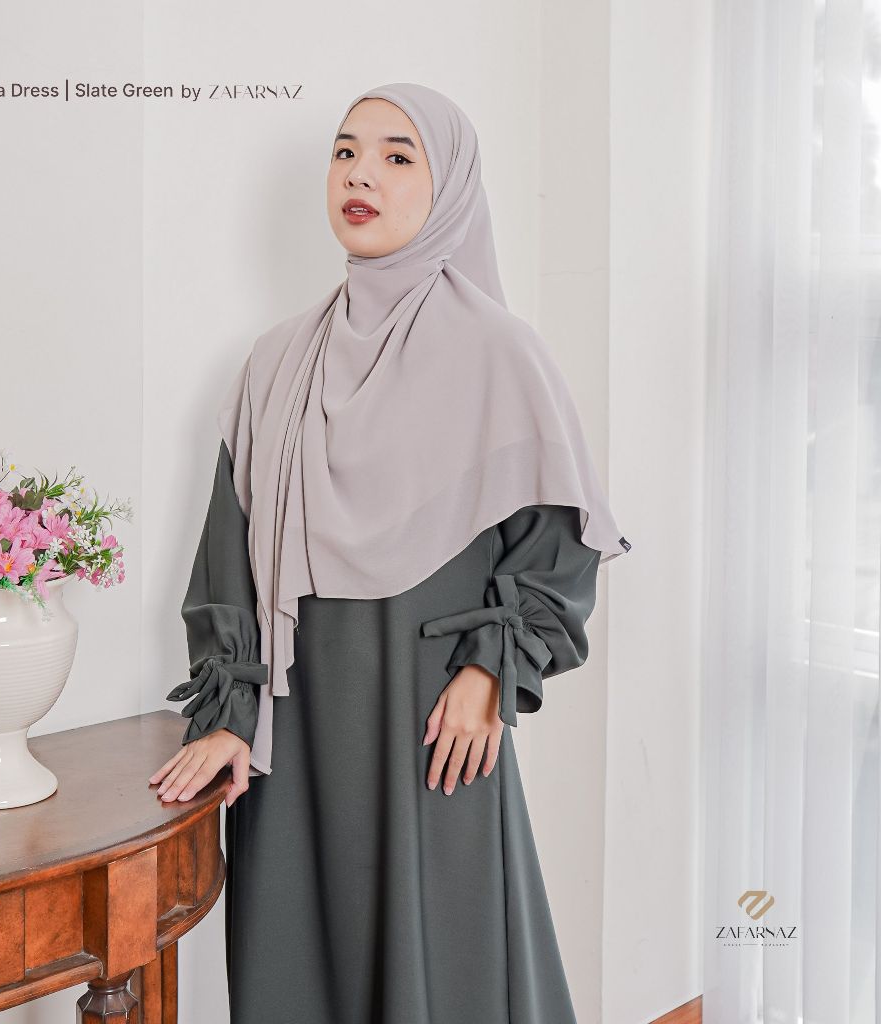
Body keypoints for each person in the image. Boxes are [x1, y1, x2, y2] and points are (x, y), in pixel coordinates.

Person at [148, 82, 631, 1024]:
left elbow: (556, 550)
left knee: (445, 972)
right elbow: (227, 555)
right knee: (301, 966)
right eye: (345, 152)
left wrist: (489, 675)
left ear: (449, 188)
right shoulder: (276, 362)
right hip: (296, 729)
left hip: (430, 727)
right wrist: (229, 713)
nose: (360, 174)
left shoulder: (499, 354)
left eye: (397, 156)